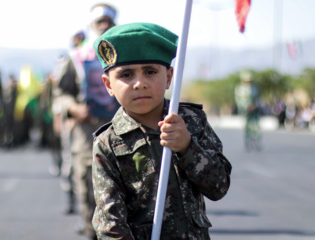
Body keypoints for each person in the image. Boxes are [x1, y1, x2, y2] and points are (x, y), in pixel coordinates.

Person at [92, 23, 232, 239]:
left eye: (150, 72)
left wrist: (187, 147)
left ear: (168, 77)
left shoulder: (191, 122)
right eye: (126, 75)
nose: (139, 83)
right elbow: (110, 225)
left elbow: (219, 187)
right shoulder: (108, 143)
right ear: (108, 84)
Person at [52, 3, 120, 239]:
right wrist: (73, 107)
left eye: (107, 21)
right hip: (86, 130)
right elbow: (61, 93)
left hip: (122, 129)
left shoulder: (128, 53)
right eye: (99, 21)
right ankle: (92, 231)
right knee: (87, 185)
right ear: (91, 24)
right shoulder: (77, 57)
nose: (103, 25)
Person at [234, 70, 261, 151]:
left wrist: (253, 105)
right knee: (247, 127)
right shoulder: (239, 88)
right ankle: (248, 144)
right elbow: (238, 100)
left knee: (255, 126)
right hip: (245, 111)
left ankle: (256, 143)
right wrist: (245, 107)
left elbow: (257, 99)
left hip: (254, 110)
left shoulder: (254, 88)